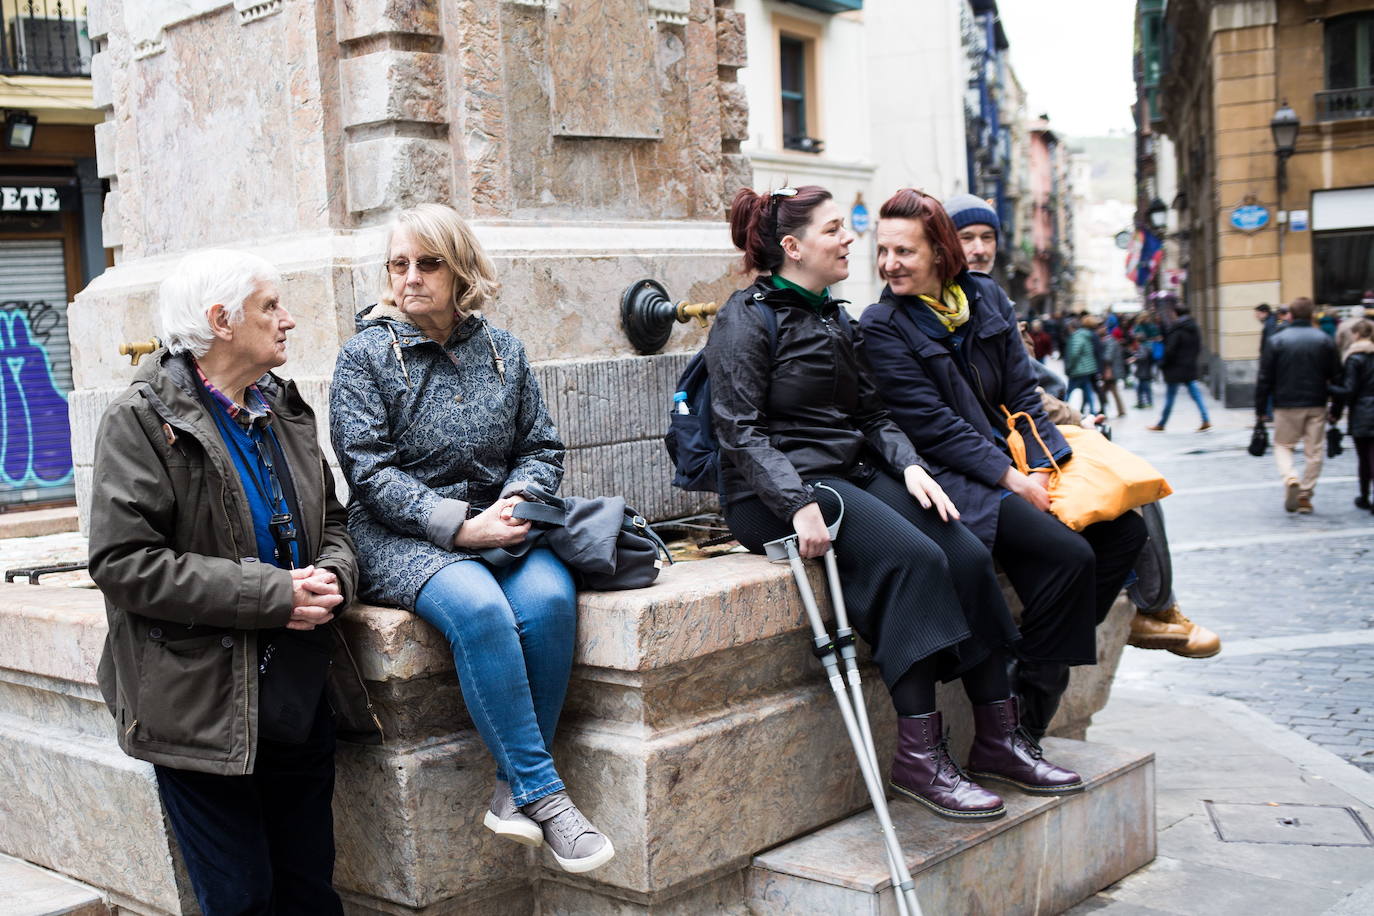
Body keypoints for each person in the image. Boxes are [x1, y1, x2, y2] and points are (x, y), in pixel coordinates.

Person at [709, 184, 1083, 823]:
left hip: (849, 473)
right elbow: (737, 428)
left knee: (963, 550)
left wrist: (909, 467)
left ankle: (998, 738)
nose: (850, 239)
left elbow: (872, 413)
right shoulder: (746, 317)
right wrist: (795, 500)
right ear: (794, 247)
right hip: (774, 492)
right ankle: (919, 756)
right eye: (835, 231)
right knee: (912, 558)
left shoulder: (835, 316)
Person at [329, 204, 613, 872]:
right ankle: (547, 796)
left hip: (501, 524)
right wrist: (457, 525)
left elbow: (540, 445)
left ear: (460, 270)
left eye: (428, 264)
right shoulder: (365, 358)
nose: (411, 278)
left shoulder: (503, 350)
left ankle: (512, 792)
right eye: (399, 264)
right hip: (402, 535)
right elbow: (369, 473)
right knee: (481, 609)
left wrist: (518, 499)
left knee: (549, 602)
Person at [88, 250, 371, 915]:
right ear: (221, 321)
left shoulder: (283, 406)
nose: (289, 321)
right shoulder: (140, 419)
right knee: (241, 901)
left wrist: (334, 574)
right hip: (198, 710)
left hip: (298, 694)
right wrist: (272, 596)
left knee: (309, 893)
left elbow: (333, 518)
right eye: (271, 306)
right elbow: (124, 562)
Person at [858, 188, 1147, 753]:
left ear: (940, 253)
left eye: (905, 251)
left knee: (1125, 532)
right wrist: (1011, 479)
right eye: (883, 250)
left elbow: (1022, 391)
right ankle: (1024, 718)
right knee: (1069, 555)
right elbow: (932, 424)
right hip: (953, 474)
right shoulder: (882, 325)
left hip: (1017, 461)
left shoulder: (986, 298)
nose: (890, 264)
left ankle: (1030, 663)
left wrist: (1043, 466)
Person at [1255, 297, 1342, 514]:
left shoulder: (1277, 340)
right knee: (1314, 451)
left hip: (1285, 404)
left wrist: (1259, 411)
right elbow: (1337, 377)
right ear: (1312, 315)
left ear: (1290, 315)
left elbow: (1264, 378)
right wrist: (1337, 410)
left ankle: (1290, 476)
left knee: (1283, 445)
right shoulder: (1324, 340)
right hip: (1316, 402)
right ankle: (1305, 494)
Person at [1146, 295, 1212, 432]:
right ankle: (1205, 419)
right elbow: (1197, 346)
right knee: (1195, 394)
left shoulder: (1178, 329)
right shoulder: (1194, 328)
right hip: (1189, 366)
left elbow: (1170, 350)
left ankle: (1161, 424)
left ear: (1175, 313)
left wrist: (1163, 363)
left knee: (1170, 396)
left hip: (1175, 368)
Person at [1331, 319, 1374, 513]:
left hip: (1362, 413)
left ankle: (1365, 497)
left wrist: (1328, 388)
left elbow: (1350, 390)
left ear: (1356, 335)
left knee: (1365, 459)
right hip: (1365, 410)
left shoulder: (1354, 358)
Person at [1063, 315, 1101, 415]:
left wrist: (1069, 367)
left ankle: (1063, 409)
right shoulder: (1086, 335)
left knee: (1069, 391)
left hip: (1079, 369)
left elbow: (1074, 353)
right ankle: (1093, 411)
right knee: (1087, 390)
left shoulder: (1076, 337)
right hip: (1088, 368)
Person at [1097, 321, 1128, 418]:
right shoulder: (1109, 340)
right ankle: (1109, 409)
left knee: (1107, 391)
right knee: (1108, 390)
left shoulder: (1108, 341)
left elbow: (1108, 357)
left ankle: (1105, 409)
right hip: (1111, 370)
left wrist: (1107, 371)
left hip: (1110, 371)